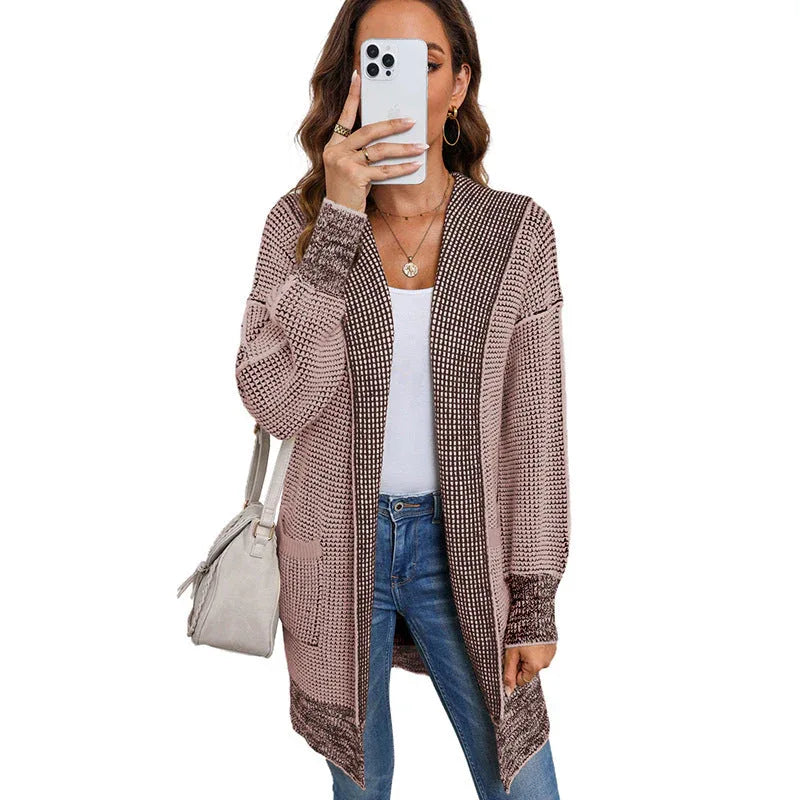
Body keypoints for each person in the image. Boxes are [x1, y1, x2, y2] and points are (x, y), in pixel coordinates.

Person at [234, 2, 570, 798]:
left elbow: (534, 434)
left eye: (426, 63)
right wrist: (339, 218)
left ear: (459, 86)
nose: (402, 83)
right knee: (364, 781)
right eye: (379, 60)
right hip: (331, 552)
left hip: (465, 552)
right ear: (350, 80)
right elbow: (275, 402)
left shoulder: (517, 232)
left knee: (522, 779)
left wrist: (533, 601)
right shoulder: (298, 224)